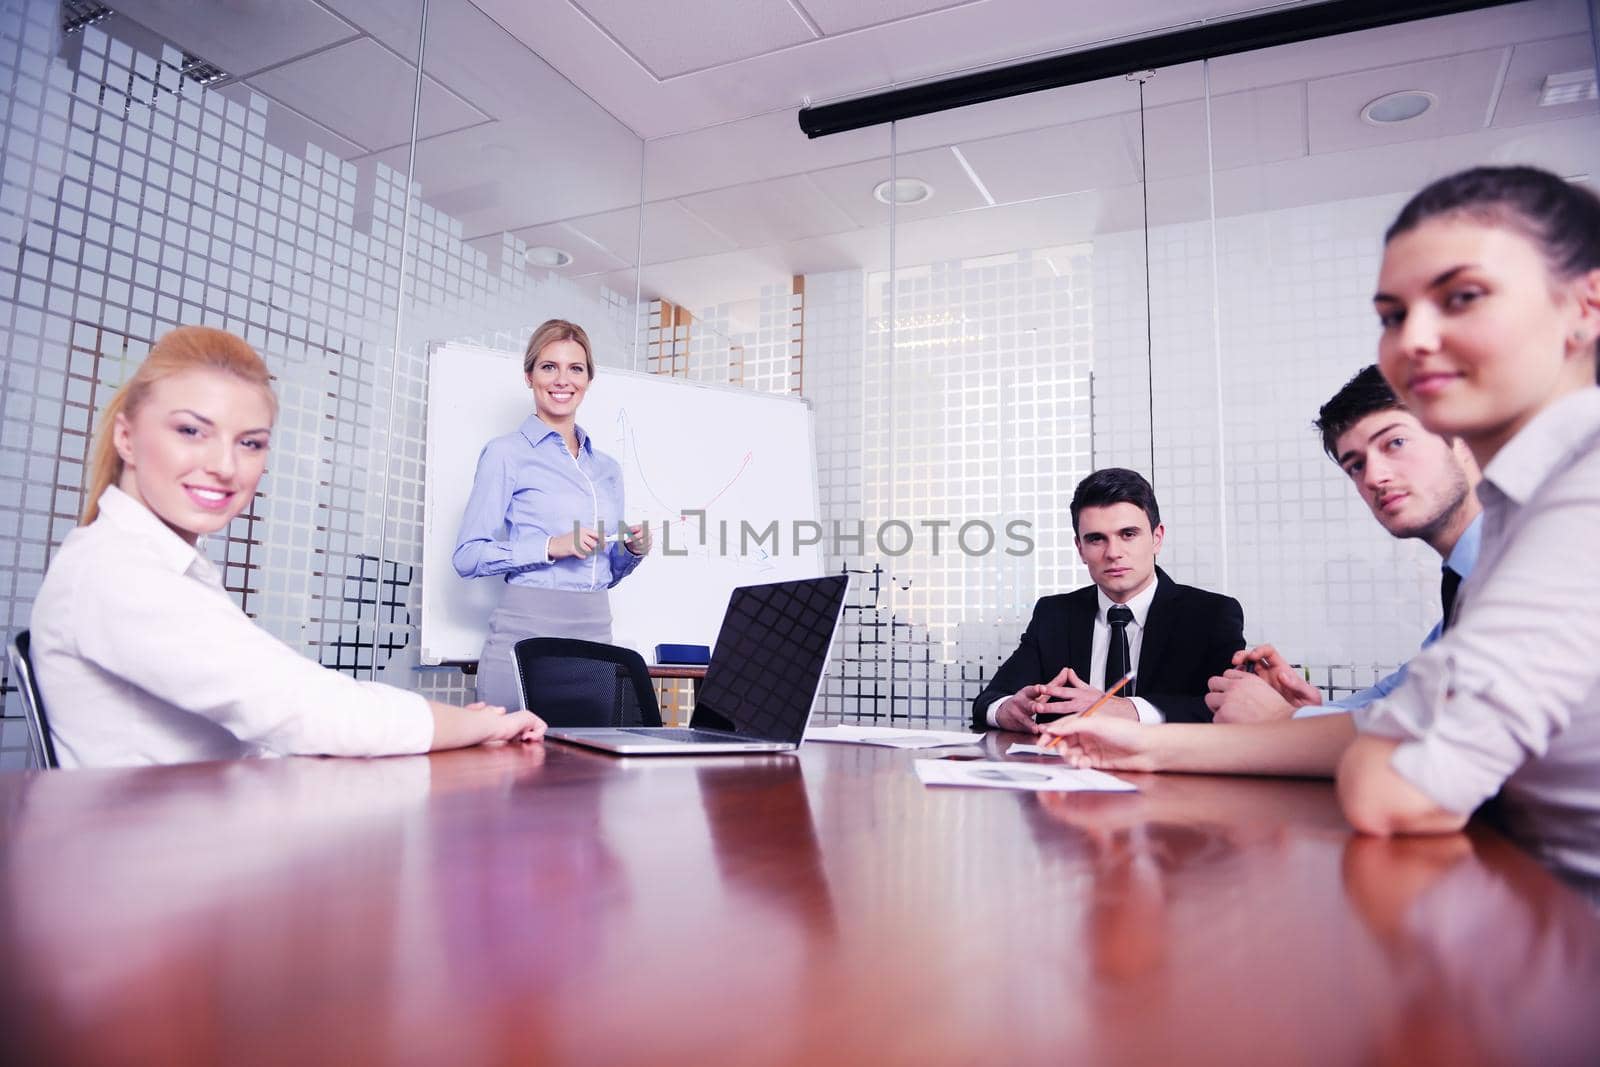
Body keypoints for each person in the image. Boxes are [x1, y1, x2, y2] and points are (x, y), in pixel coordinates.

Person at [1050, 166, 1600, 893]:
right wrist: (1142, 744)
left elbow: (1394, 786)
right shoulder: (1514, 521)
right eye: (1393, 315)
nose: (1415, 340)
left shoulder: (1580, 500)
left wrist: (1373, 734)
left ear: (1585, 303)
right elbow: (1389, 725)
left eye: (1461, 296)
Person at [30, 325, 546, 769]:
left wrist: (454, 723)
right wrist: (466, 725)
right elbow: (301, 708)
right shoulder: (116, 572)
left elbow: (268, 718)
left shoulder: (159, 565)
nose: (225, 466)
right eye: (191, 430)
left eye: (250, 442)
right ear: (126, 436)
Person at [1207, 364, 1482, 723]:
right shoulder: (1464, 584)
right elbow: (1399, 695)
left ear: (1460, 435)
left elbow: (1454, 728)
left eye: (1395, 443)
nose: (1374, 477)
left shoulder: (1527, 564)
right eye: (1354, 465)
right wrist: (1307, 714)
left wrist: (1282, 721)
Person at [453, 319, 651, 709]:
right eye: (549, 367)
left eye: (575, 368)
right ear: (529, 376)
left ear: (589, 379)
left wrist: (631, 552)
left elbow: (605, 574)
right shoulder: (506, 453)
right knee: (509, 767)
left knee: (588, 766)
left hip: (595, 642)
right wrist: (549, 547)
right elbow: (467, 557)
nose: (563, 380)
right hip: (526, 637)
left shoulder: (607, 469)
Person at [971, 467, 1245, 732]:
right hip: (1069, 770)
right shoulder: (1054, 614)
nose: (1113, 552)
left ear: (1157, 538)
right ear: (1080, 548)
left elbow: (1232, 710)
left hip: (1168, 772)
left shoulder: (1210, 615)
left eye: (1128, 534)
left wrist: (1127, 709)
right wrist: (1007, 709)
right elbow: (991, 699)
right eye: (1096, 539)